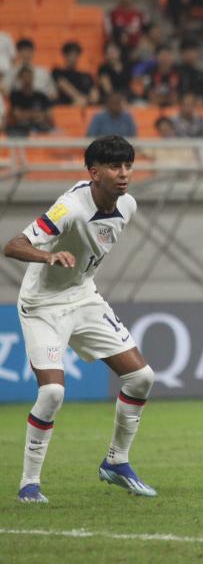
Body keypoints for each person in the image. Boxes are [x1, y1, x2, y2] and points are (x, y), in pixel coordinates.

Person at [5, 136, 157, 503]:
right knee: (53, 392)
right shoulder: (70, 207)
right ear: (93, 172)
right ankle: (29, 485)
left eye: (127, 166)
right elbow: (13, 245)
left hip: (83, 296)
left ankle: (116, 462)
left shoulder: (128, 206)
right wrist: (48, 257)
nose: (123, 174)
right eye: (114, 167)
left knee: (141, 378)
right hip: (42, 304)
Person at [52, 41, 99, 106]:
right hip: (68, 104)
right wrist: (78, 97)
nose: (73, 57)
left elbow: (94, 91)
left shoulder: (86, 75)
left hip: (87, 103)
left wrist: (92, 99)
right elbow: (63, 85)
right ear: (65, 55)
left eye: (75, 54)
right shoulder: (58, 71)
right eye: (70, 54)